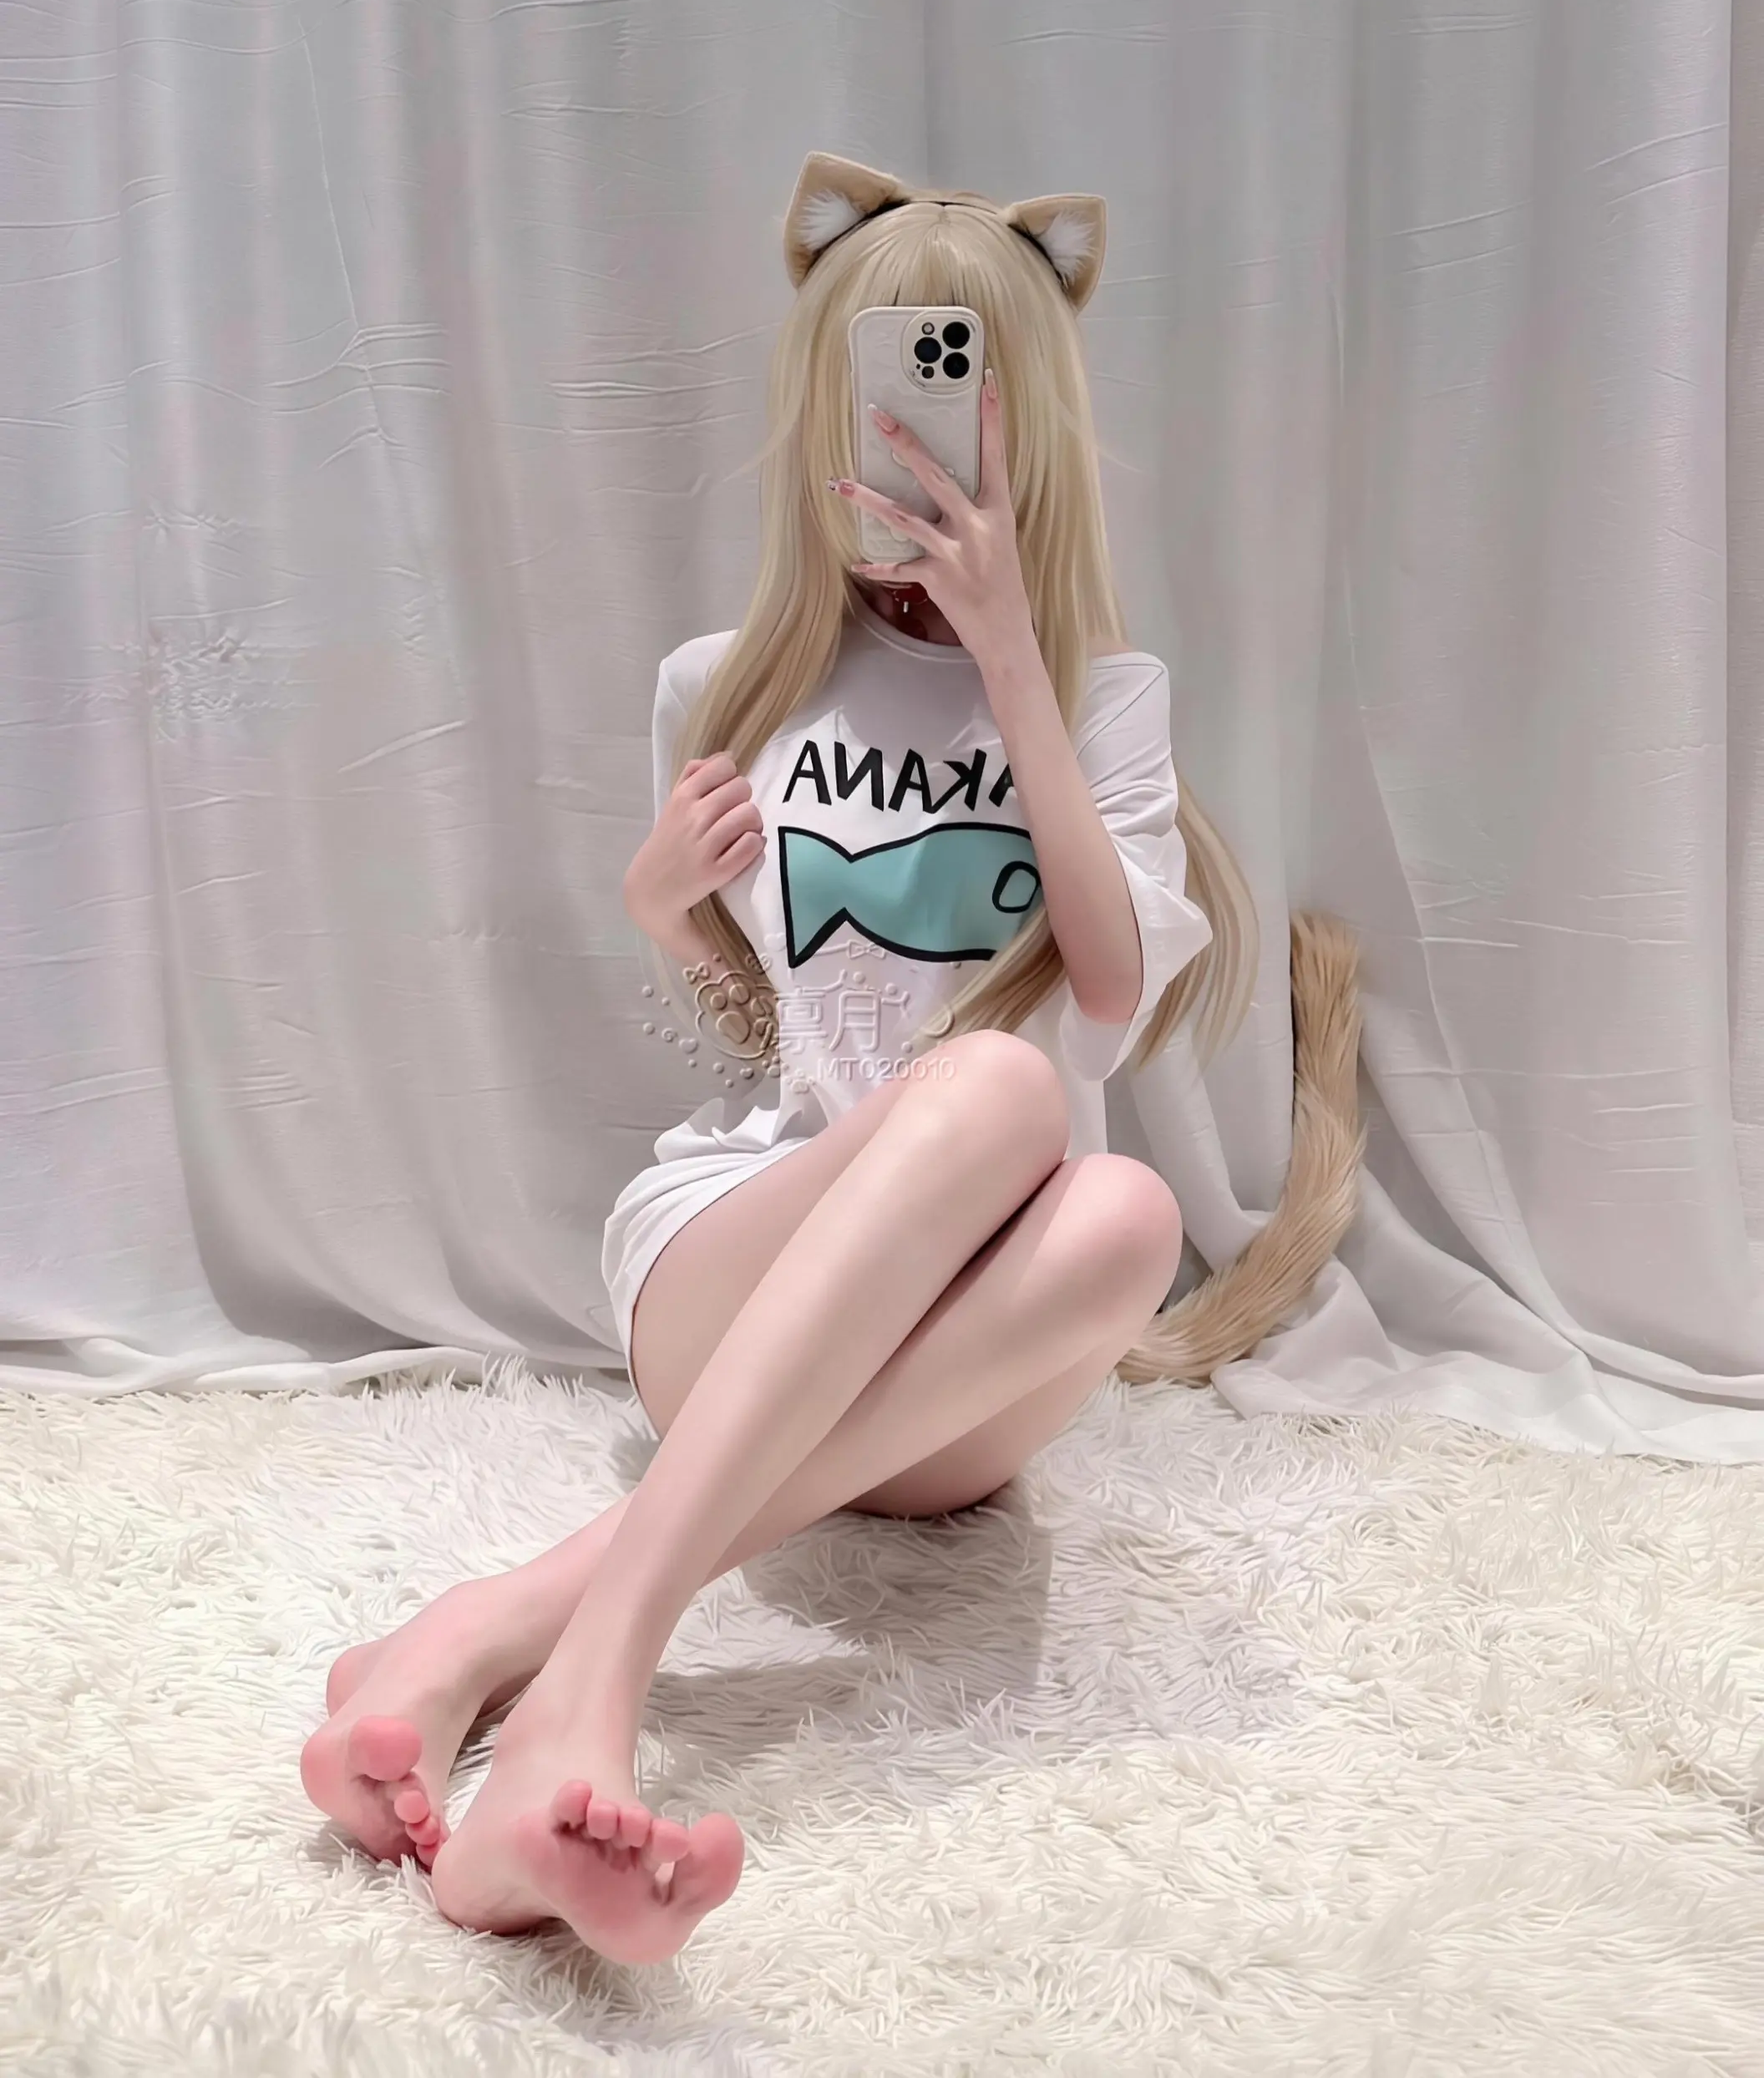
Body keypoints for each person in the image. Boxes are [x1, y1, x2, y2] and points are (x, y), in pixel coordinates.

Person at [299, 151, 1258, 1965]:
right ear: (825, 413)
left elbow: (1112, 998)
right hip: (739, 1273)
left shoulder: (1104, 699)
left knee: (1127, 1209)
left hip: (958, 1370)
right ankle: (584, 1705)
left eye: (955, 406)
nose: (913, 447)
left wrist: (1014, 663)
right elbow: (774, 1037)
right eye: (880, 400)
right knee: (1000, 1092)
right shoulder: (726, 682)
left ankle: (481, 1634)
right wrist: (663, 908)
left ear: (1029, 434)